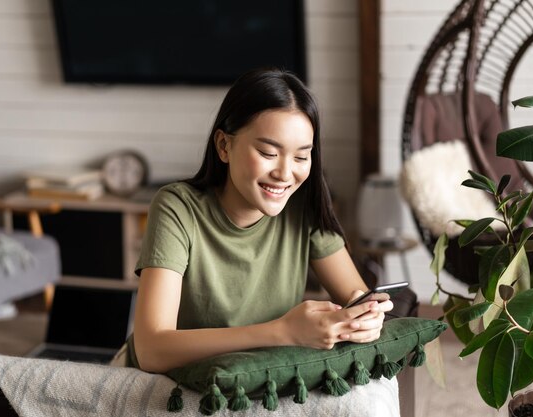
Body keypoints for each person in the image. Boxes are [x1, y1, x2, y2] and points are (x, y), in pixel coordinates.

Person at [129, 68, 393, 373]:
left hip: (262, 376)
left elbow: (354, 297)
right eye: (269, 152)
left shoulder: (304, 207)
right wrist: (283, 332)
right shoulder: (177, 207)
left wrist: (365, 317)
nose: (285, 174)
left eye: (300, 157)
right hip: (177, 380)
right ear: (224, 146)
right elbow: (151, 350)